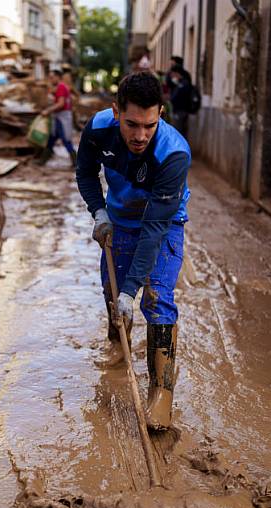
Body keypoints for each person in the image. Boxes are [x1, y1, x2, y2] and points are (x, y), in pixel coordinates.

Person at [76, 71, 191, 430]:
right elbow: (85, 172)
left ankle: (162, 394)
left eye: (149, 125)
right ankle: (118, 343)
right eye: (132, 125)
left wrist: (133, 289)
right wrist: (99, 212)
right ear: (115, 112)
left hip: (163, 221)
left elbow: (155, 229)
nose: (140, 135)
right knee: (113, 292)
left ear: (161, 115)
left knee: (155, 297)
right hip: (120, 218)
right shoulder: (97, 129)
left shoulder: (173, 153)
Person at [37, 69, 77, 166]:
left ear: (58, 77)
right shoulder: (59, 87)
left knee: (65, 140)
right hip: (59, 117)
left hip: (62, 117)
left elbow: (60, 104)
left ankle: (76, 162)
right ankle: (43, 160)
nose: (50, 80)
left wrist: (47, 111)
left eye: (52, 77)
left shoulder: (61, 87)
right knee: (52, 139)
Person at [168, 57, 193, 137]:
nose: (171, 76)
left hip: (181, 110)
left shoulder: (183, 83)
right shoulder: (179, 83)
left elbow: (176, 97)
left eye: (172, 74)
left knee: (178, 132)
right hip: (178, 110)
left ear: (177, 73)